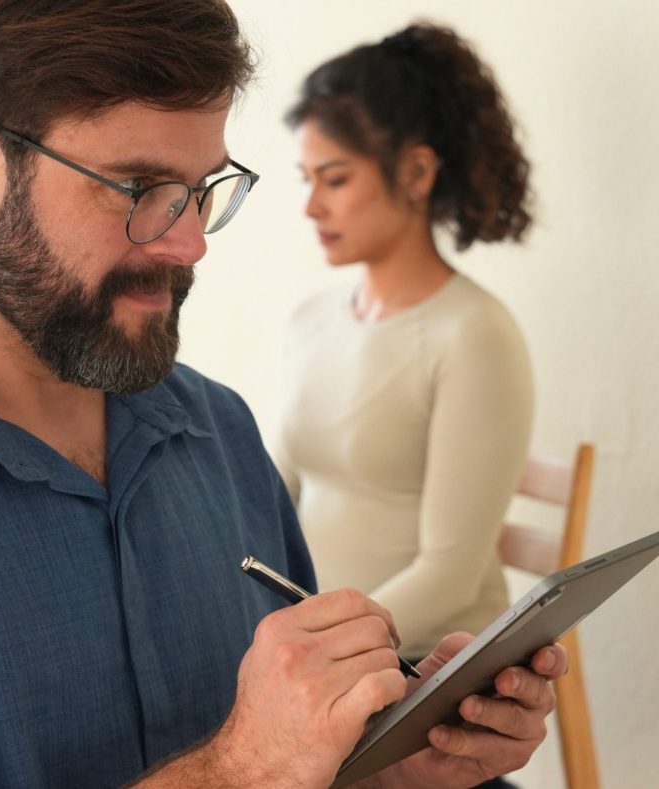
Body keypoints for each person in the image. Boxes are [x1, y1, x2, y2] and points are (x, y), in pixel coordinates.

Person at [0, 3, 566, 788]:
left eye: (201, 187)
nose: (190, 242)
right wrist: (243, 768)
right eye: (138, 187)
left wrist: (383, 764)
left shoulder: (217, 433)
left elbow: (305, 762)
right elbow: (261, 764)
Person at [275, 22, 535, 663]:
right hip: (331, 661)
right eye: (304, 179)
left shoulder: (475, 336)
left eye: (333, 180)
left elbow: (449, 573)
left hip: (427, 666)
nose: (311, 206)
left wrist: (322, 653)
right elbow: (272, 493)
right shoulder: (312, 319)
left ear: (416, 172)